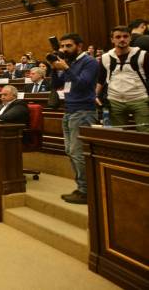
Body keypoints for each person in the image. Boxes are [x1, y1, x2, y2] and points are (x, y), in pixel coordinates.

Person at [50, 33, 99, 205]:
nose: (64, 49)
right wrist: (53, 68)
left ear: (79, 46)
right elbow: (57, 85)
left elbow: (82, 84)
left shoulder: (90, 62)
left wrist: (66, 68)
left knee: (78, 153)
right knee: (71, 151)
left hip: (84, 111)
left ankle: (87, 191)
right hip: (69, 110)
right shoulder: (70, 63)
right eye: (62, 46)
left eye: (68, 46)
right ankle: (81, 188)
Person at [97, 26, 149, 132]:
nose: (122, 39)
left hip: (139, 99)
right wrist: (95, 95)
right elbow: (101, 79)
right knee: (118, 134)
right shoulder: (105, 57)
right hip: (115, 100)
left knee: (145, 132)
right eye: (118, 37)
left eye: (125, 36)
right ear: (112, 39)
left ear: (130, 38)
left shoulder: (143, 55)